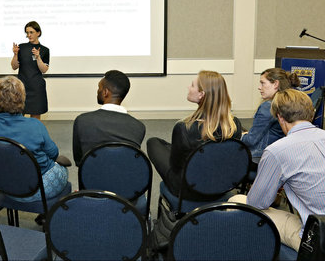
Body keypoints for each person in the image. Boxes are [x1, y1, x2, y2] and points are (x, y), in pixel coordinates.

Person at [229, 89, 325, 251]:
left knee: (237, 201)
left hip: (318, 239)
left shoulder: (277, 151)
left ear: (280, 117)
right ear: (311, 113)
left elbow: (257, 203)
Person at [147, 70, 242, 200]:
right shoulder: (234, 125)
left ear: (201, 95)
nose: (188, 87)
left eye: (192, 85)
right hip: (220, 187)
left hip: (188, 191)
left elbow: (176, 166)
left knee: (153, 142)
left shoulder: (183, 128)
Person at [72, 70, 146, 165]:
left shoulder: (82, 121)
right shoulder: (139, 127)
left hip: (91, 177)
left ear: (105, 92)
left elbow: (79, 161)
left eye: (99, 88)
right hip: (126, 177)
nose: (97, 91)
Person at [241, 68, 300, 160]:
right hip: (280, 154)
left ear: (276, 84)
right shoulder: (290, 102)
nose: (259, 87)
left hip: (259, 156)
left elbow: (251, 141)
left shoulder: (268, 106)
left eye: (263, 83)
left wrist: (240, 136)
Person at [11, 21, 49, 120]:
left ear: (38, 33)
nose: (29, 35)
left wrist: (38, 57)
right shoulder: (21, 47)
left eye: (31, 32)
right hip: (22, 87)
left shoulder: (45, 50)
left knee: (35, 119)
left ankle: (35, 135)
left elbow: (44, 70)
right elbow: (14, 66)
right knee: (18, 117)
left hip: (36, 89)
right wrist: (15, 54)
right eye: (27, 33)